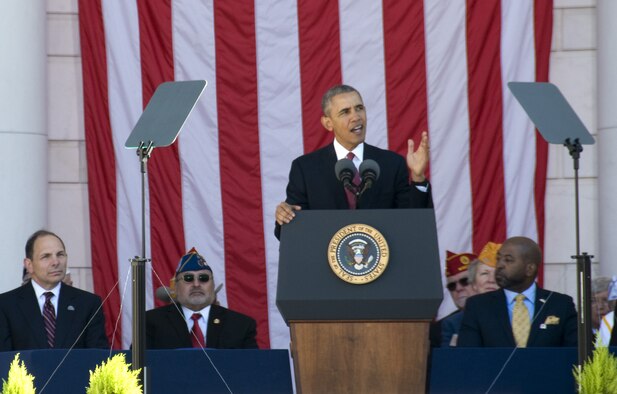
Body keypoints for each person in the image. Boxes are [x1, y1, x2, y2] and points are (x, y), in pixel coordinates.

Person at [274, 84, 432, 238]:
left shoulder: (392, 163)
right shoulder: (305, 168)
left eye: (359, 108)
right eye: (345, 112)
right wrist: (284, 216)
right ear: (328, 123)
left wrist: (418, 177)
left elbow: (412, 223)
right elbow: (290, 232)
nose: (356, 117)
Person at [458, 236, 577, 347]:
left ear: (529, 269)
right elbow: (468, 358)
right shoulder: (478, 306)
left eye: (508, 260)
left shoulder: (561, 304)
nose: (499, 265)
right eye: (498, 259)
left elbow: (575, 356)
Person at [0, 230, 109, 350]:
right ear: (29, 264)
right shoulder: (6, 305)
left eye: (60, 254)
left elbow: (98, 358)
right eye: (46, 256)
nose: (56, 262)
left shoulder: (88, 304)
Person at [146, 248, 258, 349]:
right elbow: (136, 368)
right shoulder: (150, 322)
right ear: (176, 287)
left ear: (213, 285)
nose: (196, 284)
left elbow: (253, 367)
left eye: (203, 278)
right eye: (188, 278)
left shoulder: (241, 325)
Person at [440, 251, 475, 347]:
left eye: (465, 281)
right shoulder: (444, 326)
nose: (458, 288)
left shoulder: (503, 312)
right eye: (452, 286)